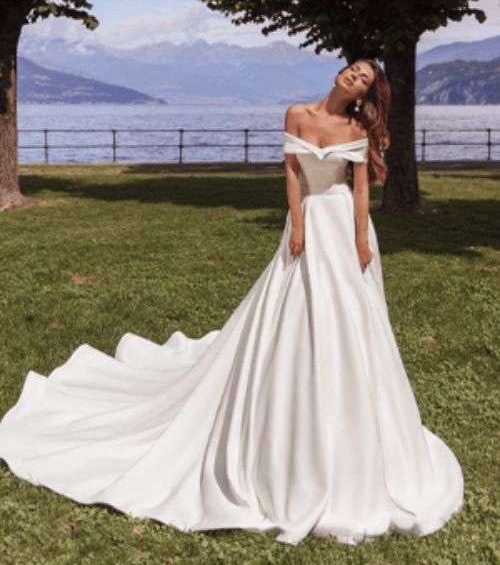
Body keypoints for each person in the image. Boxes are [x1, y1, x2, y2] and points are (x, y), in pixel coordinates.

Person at [0, 59, 463, 547]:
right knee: (291, 312)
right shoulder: (297, 114)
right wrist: (298, 224)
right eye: (352, 69)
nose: (353, 77)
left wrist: (362, 241)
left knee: (350, 321)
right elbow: (290, 172)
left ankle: (353, 424)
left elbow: (361, 186)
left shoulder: (354, 127)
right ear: (340, 75)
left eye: (364, 79)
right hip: (307, 222)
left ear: (366, 95)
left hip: (345, 227)